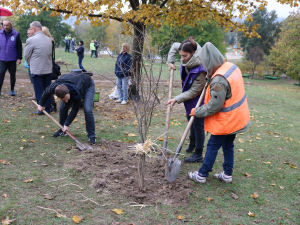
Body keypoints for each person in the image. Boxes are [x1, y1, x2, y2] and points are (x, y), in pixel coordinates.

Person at [188, 42, 251, 184]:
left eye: (204, 63)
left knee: (212, 145)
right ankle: (227, 174)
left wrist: (197, 112)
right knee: (228, 145)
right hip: (237, 117)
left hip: (227, 120)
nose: (203, 67)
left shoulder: (219, 80)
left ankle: (202, 175)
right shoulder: (230, 67)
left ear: (209, 60)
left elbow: (214, 106)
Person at [166, 37, 206, 163]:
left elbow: (195, 91)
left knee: (198, 122)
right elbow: (174, 45)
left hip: (199, 96)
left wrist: (176, 99)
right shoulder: (185, 47)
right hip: (188, 91)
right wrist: (170, 61)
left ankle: (198, 153)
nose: (182, 58)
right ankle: (192, 143)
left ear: (193, 53)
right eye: (181, 55)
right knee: (190, 118)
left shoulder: (202, 68)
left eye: (185, 56)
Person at [36, 69, 96, 145]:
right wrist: (41, 104)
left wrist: (67, 124)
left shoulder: (76, 92)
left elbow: (75, 109)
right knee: (62, 108)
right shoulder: (54, 87)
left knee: (87, 109)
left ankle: (92, 136)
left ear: (69, 92)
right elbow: (45, 93)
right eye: (64, 100)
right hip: (73, 83)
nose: (67, 101)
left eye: (67, 99)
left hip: (87, 84)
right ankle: (62, 130)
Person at [24, 21, 53, 115]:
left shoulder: (31, 40)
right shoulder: (48, 39)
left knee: (39, 90)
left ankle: (41, 109)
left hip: (37, 69)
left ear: (34, 29)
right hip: (48, 69)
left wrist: (29, 63)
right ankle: (48, 108)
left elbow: (26, 55)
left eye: (31, 29)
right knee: (47, 90)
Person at [0, 20, 22, 96]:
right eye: (4, 25)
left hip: (12, 59)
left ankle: (12, 89)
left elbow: (19, 47)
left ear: (11, 25)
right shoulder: (0, 34)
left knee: (12, 74)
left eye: (7, 25)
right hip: (2, 59)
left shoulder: (16, 34)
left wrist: (19, 58)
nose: (5, 27)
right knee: (1, 74)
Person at [42, 26, 57, 112]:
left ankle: (52, 104)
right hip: (48, 65)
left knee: (48, 87)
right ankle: (52, 104)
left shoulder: (49, 42)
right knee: (48, 86)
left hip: (47, 65)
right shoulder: (50, 41)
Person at [25, 28, 35, 100]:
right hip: (28, 64)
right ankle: (35, 94)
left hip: (33, 64)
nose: (28, 35)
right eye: (27, 34)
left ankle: (36, 95)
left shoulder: (34, 41)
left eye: (29, 34)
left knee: (35, 80)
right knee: (32, 81)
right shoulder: (28, 41)